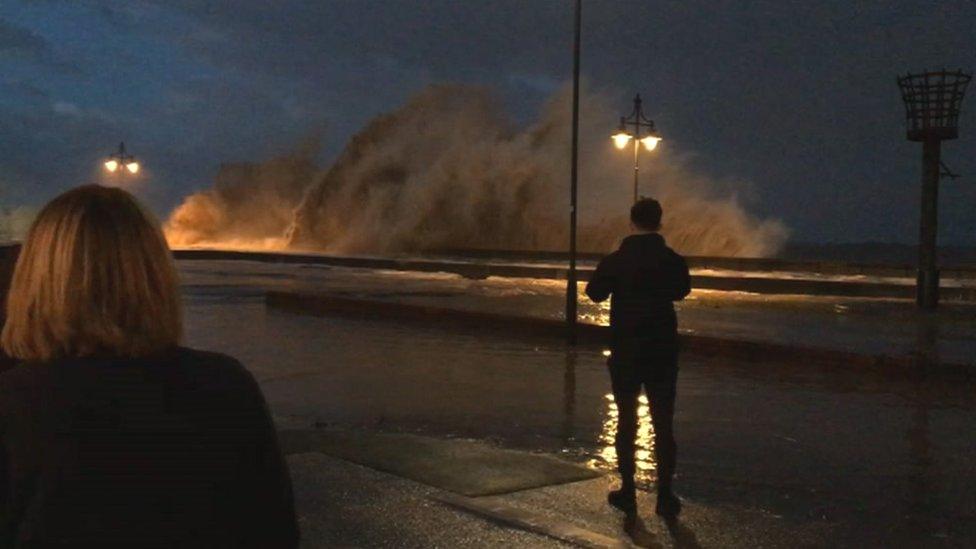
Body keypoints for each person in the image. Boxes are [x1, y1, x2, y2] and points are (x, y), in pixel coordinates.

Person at [0, 185, 298, 547]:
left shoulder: (15, 405)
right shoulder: (227, 388)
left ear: (33, 281)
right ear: (155, 276)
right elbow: (274, 532)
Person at [586, 197, 691, 517]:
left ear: (632, 222)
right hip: (661, 351)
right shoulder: (673, 260)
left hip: (627, 351)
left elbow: (594, 293)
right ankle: (665, 497)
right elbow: (681, 291)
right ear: (660, 222)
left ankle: (628, 491)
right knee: (663, 424)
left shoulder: (616, 260)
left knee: (627, 421)